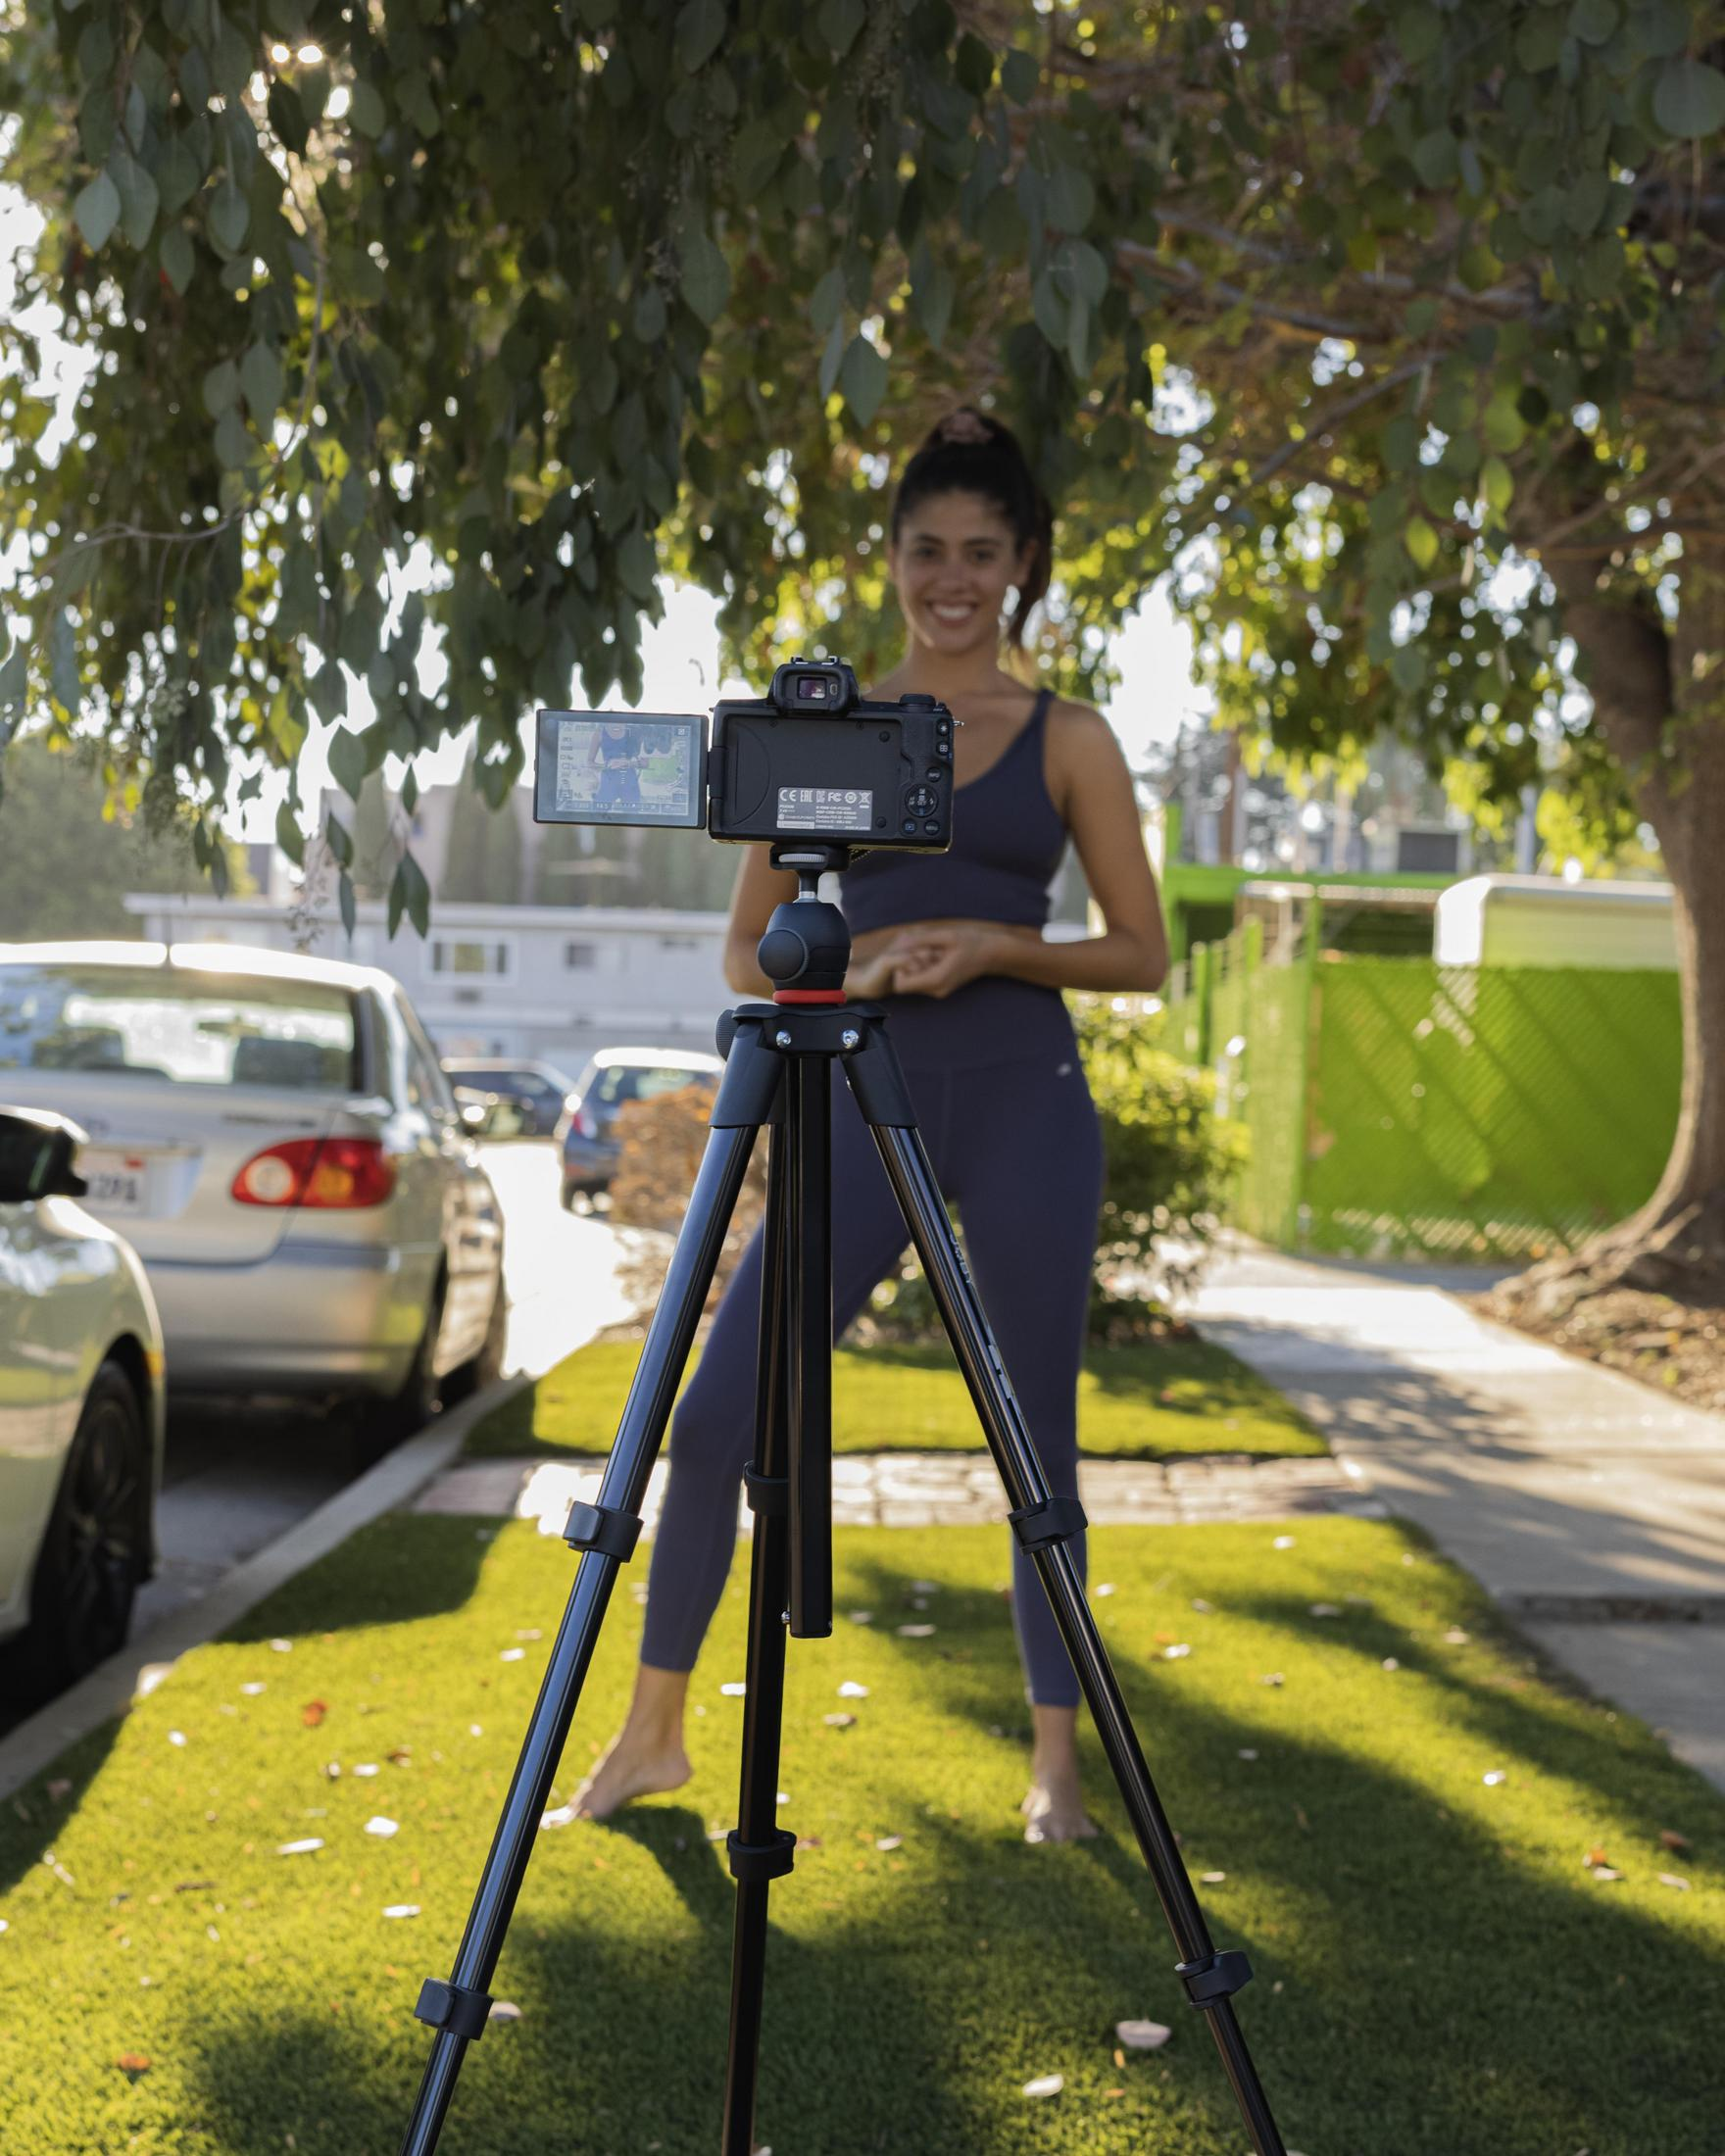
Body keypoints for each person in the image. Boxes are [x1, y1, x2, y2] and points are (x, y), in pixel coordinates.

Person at [575, 407, 1169, 1843]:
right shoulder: (816, 732)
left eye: (982, 552)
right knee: (713, 1417)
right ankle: (653, 1736)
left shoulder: (1069, 739)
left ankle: (1055, 1764)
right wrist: (867, 966)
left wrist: (993, 944)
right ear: (893, 559)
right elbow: (746, 954)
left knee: (1037, 1443)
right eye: (926, 550)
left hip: (1024, 1104)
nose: (951, 578)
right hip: (854, 1103)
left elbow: (1140, 953)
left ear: (1023, 564)